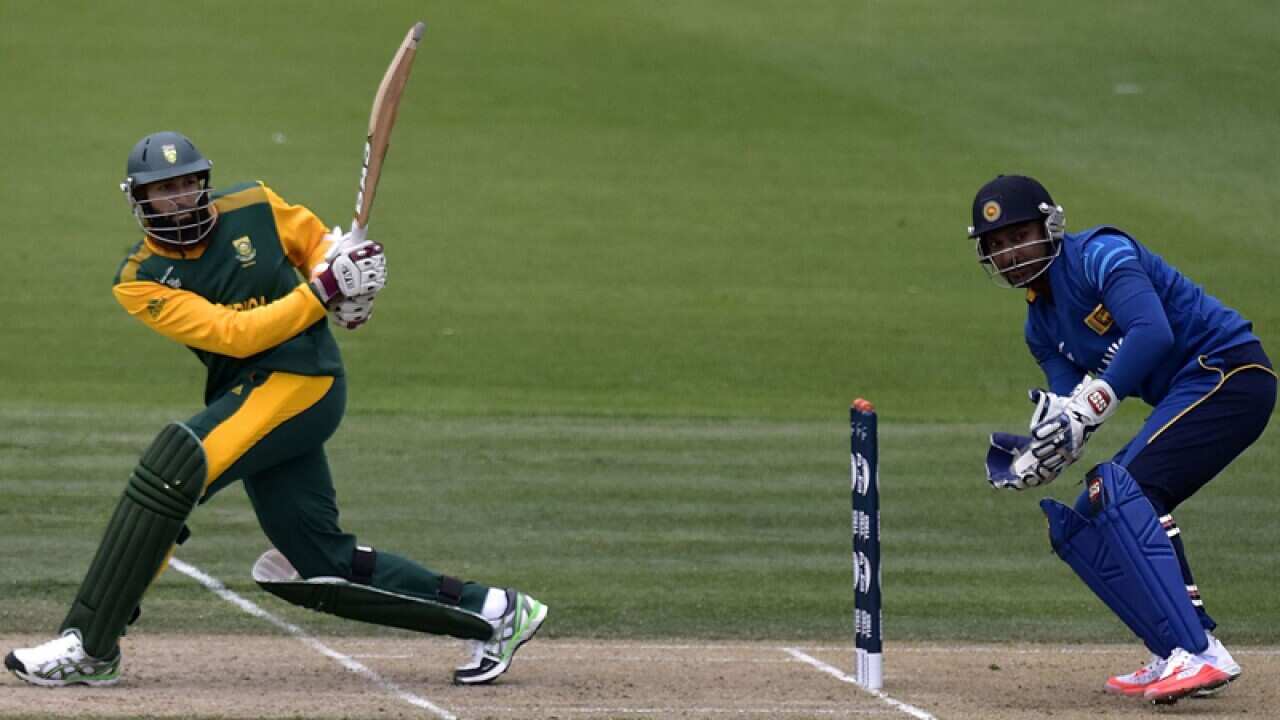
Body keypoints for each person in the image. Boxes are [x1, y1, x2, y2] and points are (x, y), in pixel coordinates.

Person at [4, 131, 546, 688]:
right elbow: (233, 334)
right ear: (139, 200)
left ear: (205, 182)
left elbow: (317, 247)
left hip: (304, 380)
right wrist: (323, 292)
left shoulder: (255, 204)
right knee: (321, 563)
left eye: (188, 183)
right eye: (164, 190)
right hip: (248, 392)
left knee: (174, 470)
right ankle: (497, 612)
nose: (180, 198)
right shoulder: (139, 279)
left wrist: (350, 288)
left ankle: (90, 645)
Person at [974, 175, 1275, 704]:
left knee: (1125, 491)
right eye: (996, 245)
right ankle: (1176, 648)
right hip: (1192, 390)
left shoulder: (1101, 254)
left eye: (1019, 236)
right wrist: (1041, 454)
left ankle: (1199, 650)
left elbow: (1152, 332)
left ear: (1050, 227)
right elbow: (1071, 412)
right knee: (1086, 516)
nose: (1010, 253)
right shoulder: (1039, 328)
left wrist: (1088, 408)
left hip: (1227, 372)